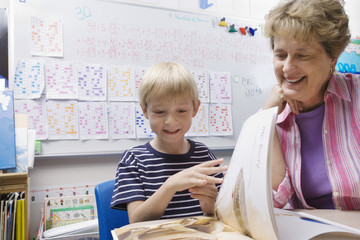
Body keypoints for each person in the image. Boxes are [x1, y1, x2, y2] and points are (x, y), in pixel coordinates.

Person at [262, 0, 360, 210]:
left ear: (332, 58)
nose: (287, 68)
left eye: (302, 55)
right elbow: (273, 202)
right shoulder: (273, 115)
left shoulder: (357, 96)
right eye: (280, 55)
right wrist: (267, 119)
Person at [110, 62, 227, 223]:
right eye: (159, 112)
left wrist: (210, 207)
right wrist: (170, 186)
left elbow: (223, 215)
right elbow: (136, 221)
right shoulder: (134, 159)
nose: (171, 122)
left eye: (181, 111)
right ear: (145, 110)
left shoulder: (204, 155)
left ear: (195, 108)